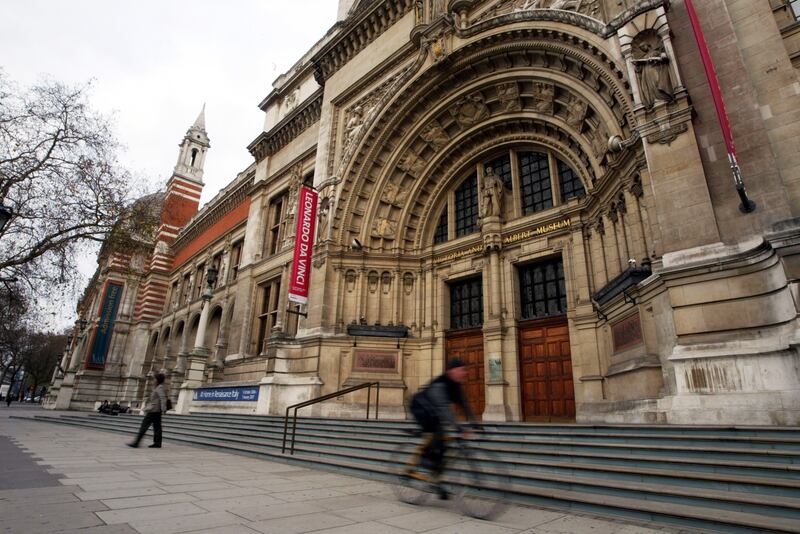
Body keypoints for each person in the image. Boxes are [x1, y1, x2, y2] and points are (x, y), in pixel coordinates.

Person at [408, 358, 476, 499]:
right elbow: (444, 409)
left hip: (434, 412)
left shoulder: (456, 386)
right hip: (420, 408)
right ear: (452, 371)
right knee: (438, 436)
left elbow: (464, 404)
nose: (465, 373)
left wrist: (475, 423)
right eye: (462, 370)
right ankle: (425, 461)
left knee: (443, 446)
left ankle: (436, 480)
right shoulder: (441, 384)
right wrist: (459, 428)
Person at [127, 372, 167, 448]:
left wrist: (163, 409)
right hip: (156, 410)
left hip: (154, 410)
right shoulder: (157, 387)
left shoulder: (160, 388)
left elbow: (163, 398)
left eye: (155, 379)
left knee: (144, 425)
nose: (154, 380)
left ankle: (136, 442)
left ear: (158, 380)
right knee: (157, 427)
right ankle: (157, 443)